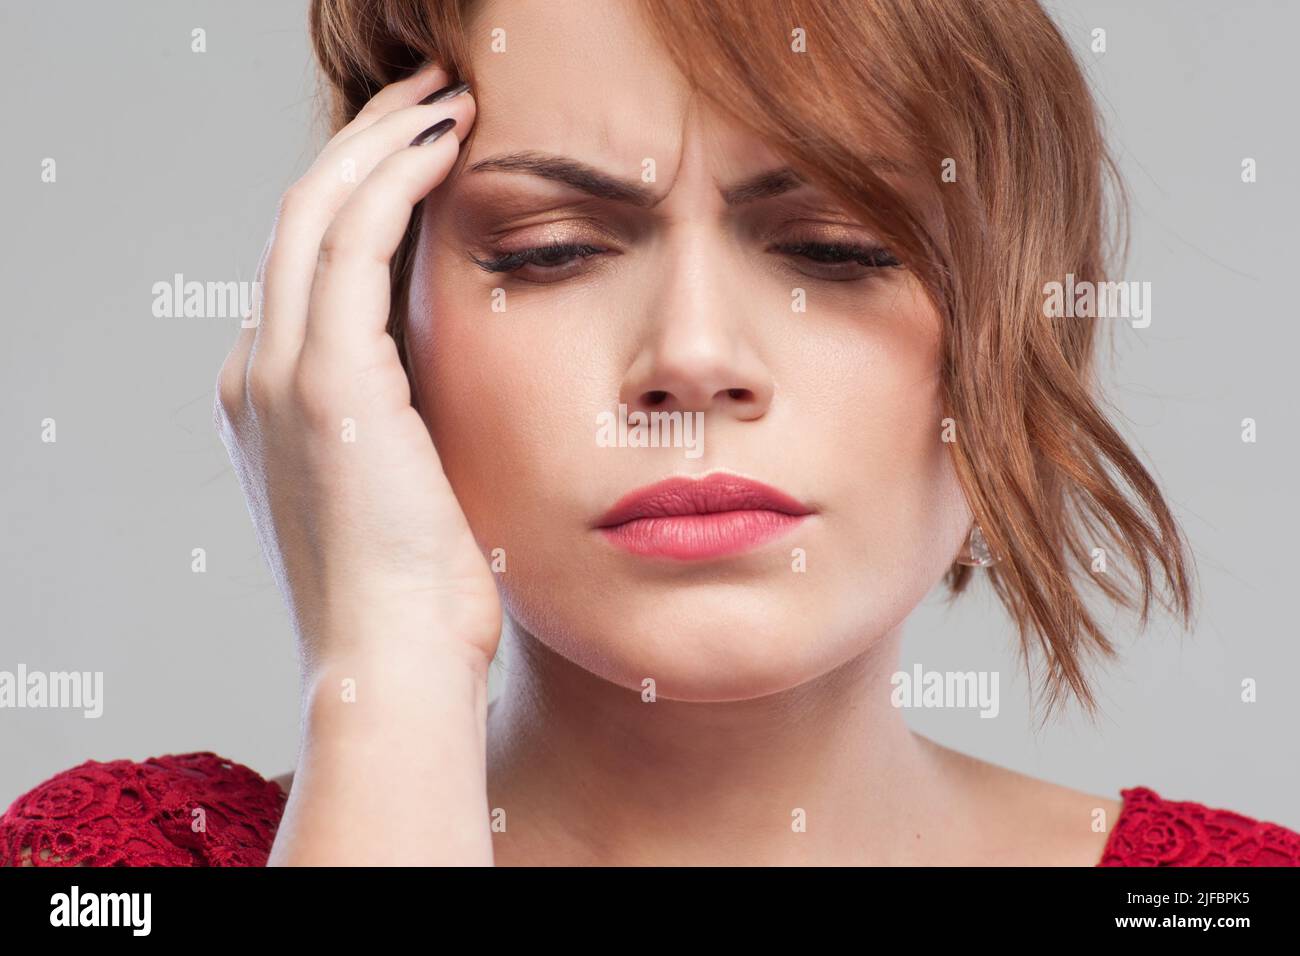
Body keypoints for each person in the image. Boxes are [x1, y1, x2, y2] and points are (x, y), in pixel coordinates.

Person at [4, 0, 1297, 867]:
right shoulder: (111, 862)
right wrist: (386, 689)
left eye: (836, 248)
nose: (693, 357)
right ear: (371, 324)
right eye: (552, 251)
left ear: (1019, 333)